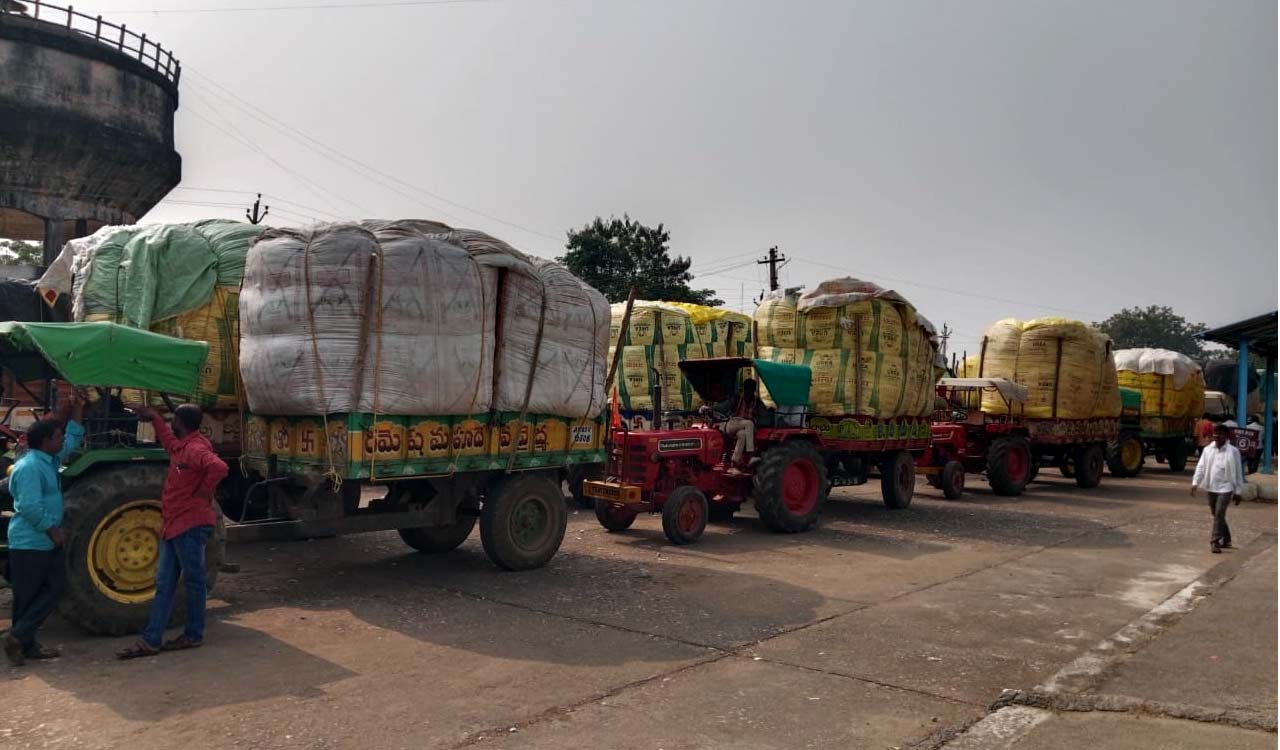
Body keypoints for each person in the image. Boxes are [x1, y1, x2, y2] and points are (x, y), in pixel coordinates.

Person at [117, 404, 228, 659]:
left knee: (194, 583)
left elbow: (219, 468)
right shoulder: (182, 445)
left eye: (172, 419)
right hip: (173, 526)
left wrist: (204, 491)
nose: (171, 424)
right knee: (165, 583)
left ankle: (193, 635)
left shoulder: (194, 449)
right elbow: (167, 440)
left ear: (180, 421)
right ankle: (152, 639)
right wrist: (155, 418)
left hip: (189, 526)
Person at [3, 397, 84, 666]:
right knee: (45, 592)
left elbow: (72, 440)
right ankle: (19, 637)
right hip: (31, 541)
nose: (62, 440)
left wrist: (78, 411)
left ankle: (24, 644)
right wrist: (51, 530)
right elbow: (28, 505)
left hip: (42, 541)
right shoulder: (30, 467)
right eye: (58, 436)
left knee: (34, 595)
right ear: (46, 441)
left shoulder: (48, 459)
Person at [1190, 423, 1245, 554]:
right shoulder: (1208, 450)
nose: (1216, 436)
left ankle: (1215, 542)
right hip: (1211, 486)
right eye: (1215, 433)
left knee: (1219, 513)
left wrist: (1238, 491)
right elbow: (1201, 467)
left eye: (1220, 434)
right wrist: (1195, 483)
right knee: (1216, 514)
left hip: (1226, 488)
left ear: (1226, 436)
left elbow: (1238, 472)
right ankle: (1226, 538)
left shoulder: (1233, 451)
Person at [702, 378, 769, 469]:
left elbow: (766, 419)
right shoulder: (736, 398)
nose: (748, 392)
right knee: (749, 423)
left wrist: (756, 420)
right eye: (747, 389)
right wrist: (708, 408)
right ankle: (751, 456)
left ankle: (734, 461)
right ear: (744, 389)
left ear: (754, 390)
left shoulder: (758, 403)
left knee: (743, 434)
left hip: (744, 428)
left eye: (751, 390)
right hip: (732, 424)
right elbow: (722, 407)